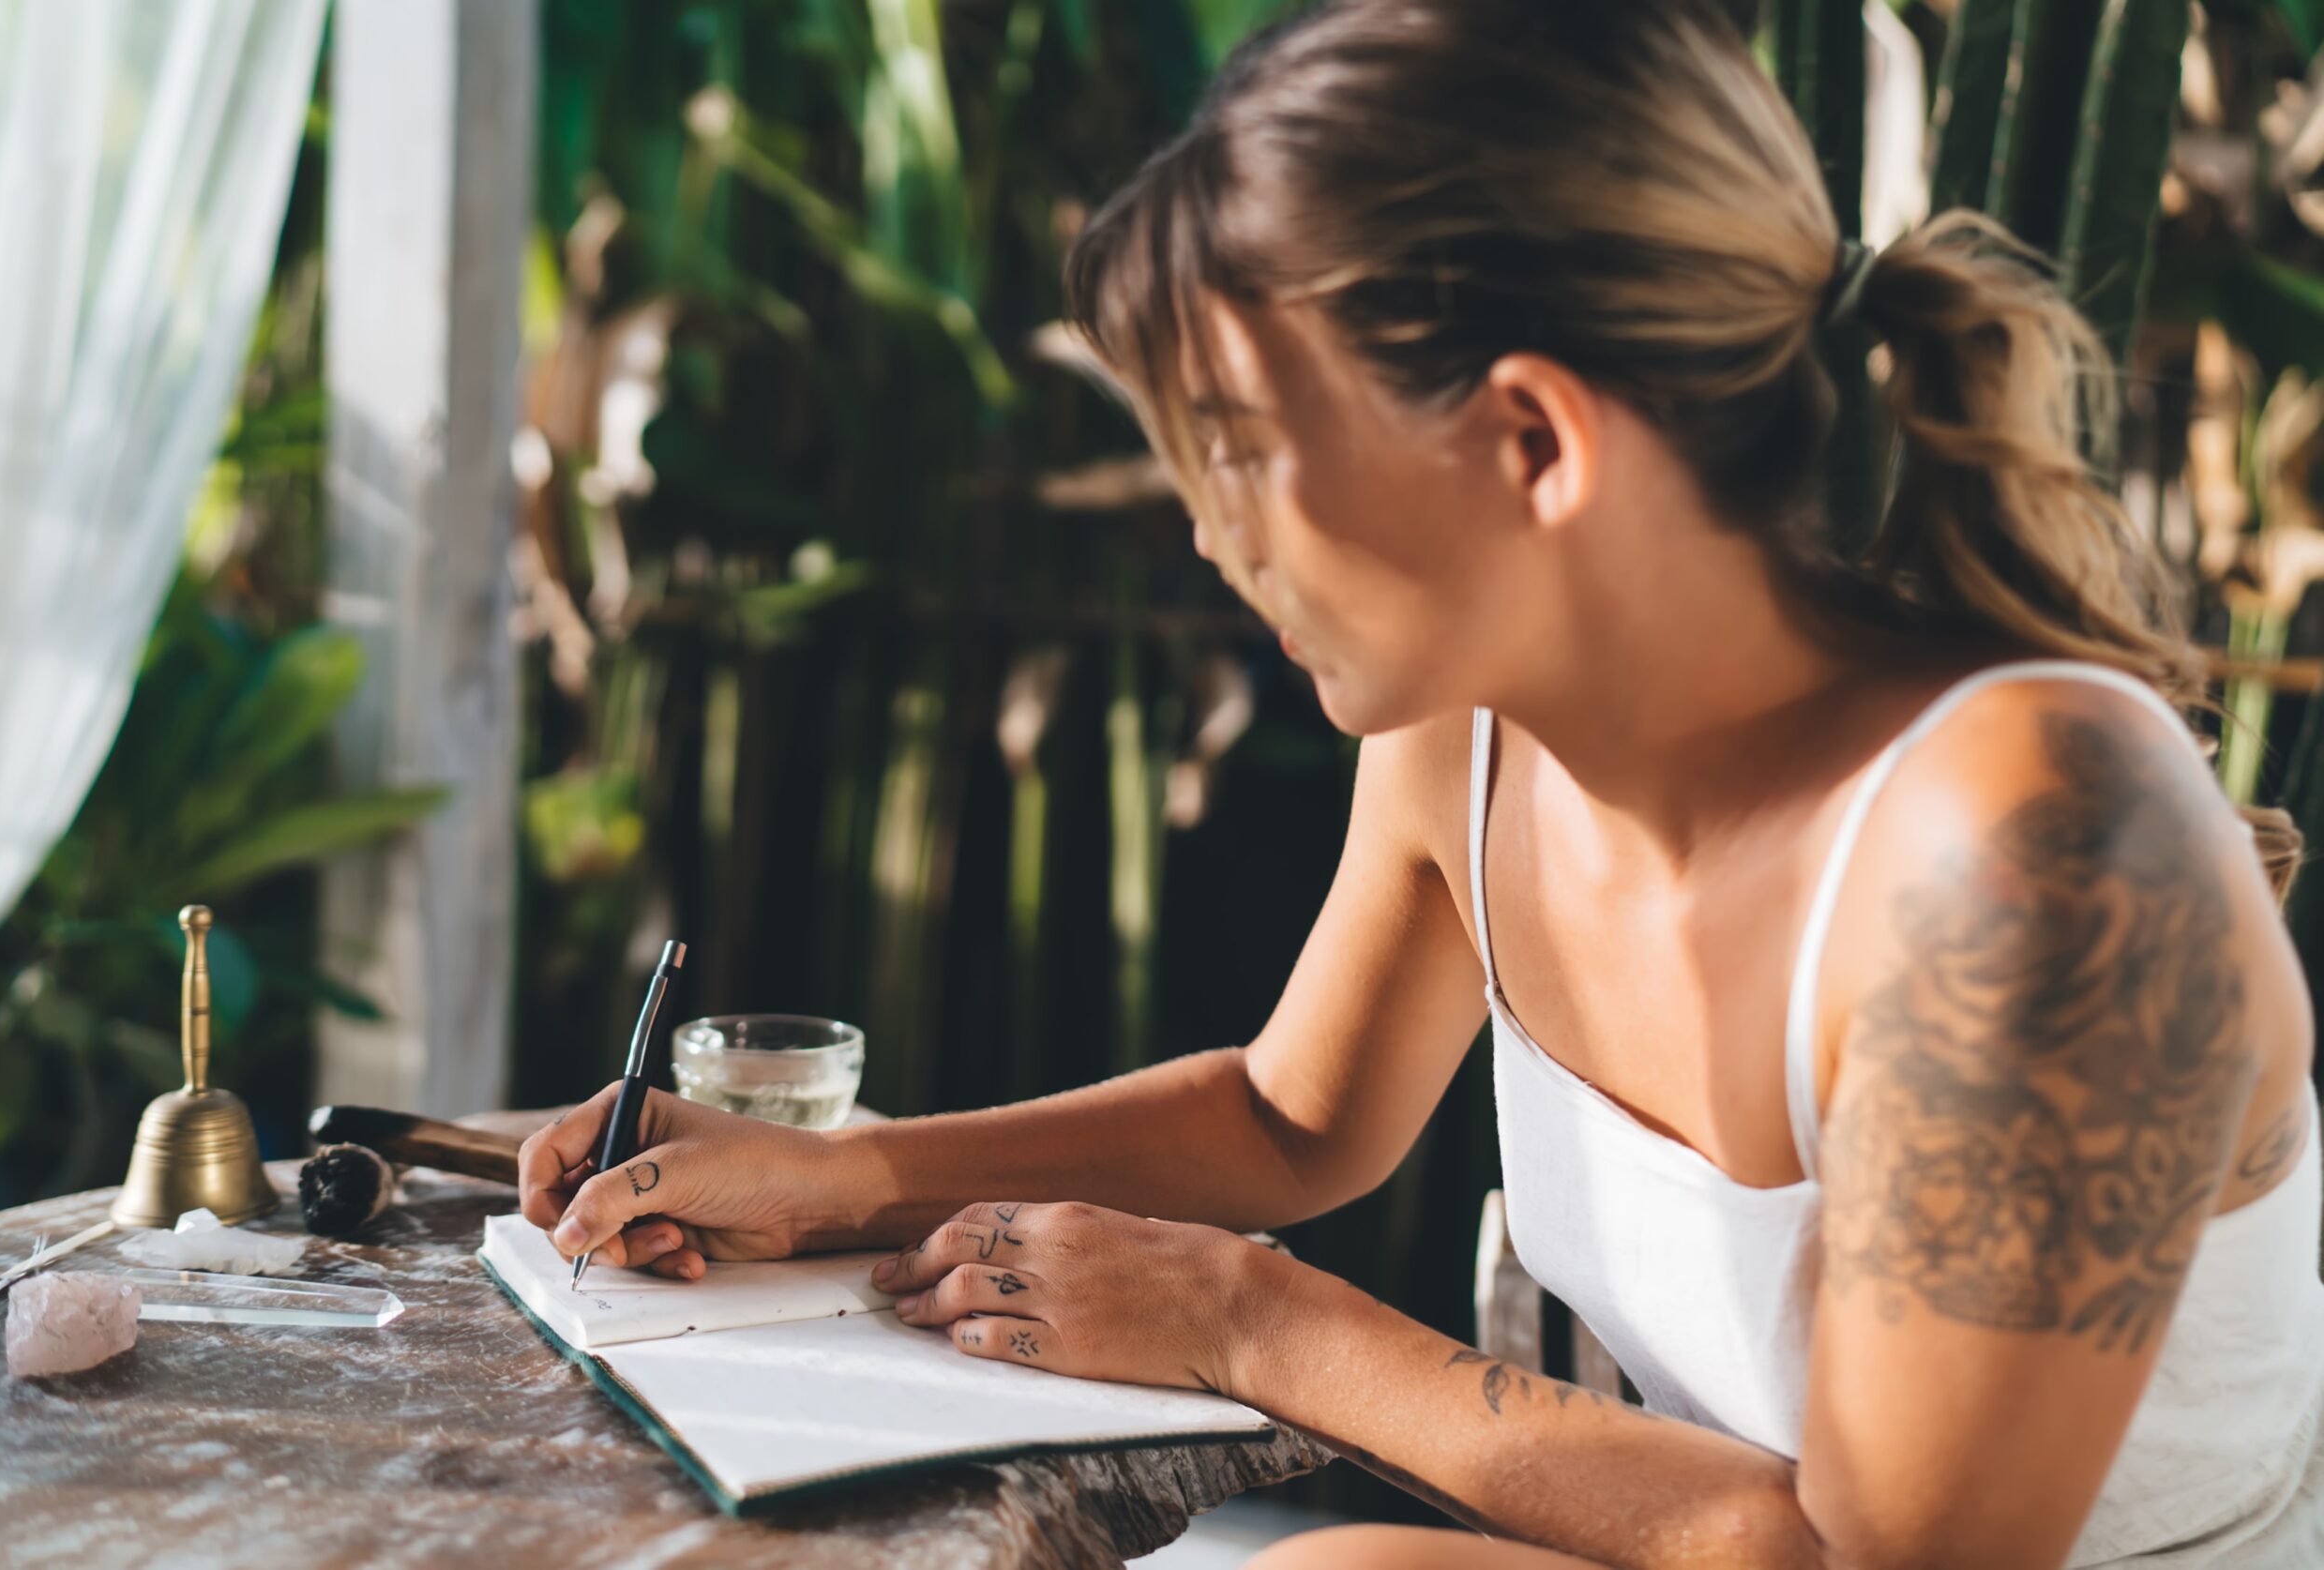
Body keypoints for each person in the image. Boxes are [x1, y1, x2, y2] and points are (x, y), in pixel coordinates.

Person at [517, 3, 2324, 1563]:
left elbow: (1871, 1552)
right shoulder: (1470, 731)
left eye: (1243, 451)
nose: (1214, 537)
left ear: (1532, 439)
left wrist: (1249, 1320)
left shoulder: (2032, 861)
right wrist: (844, 1176)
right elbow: (1297, 1122)